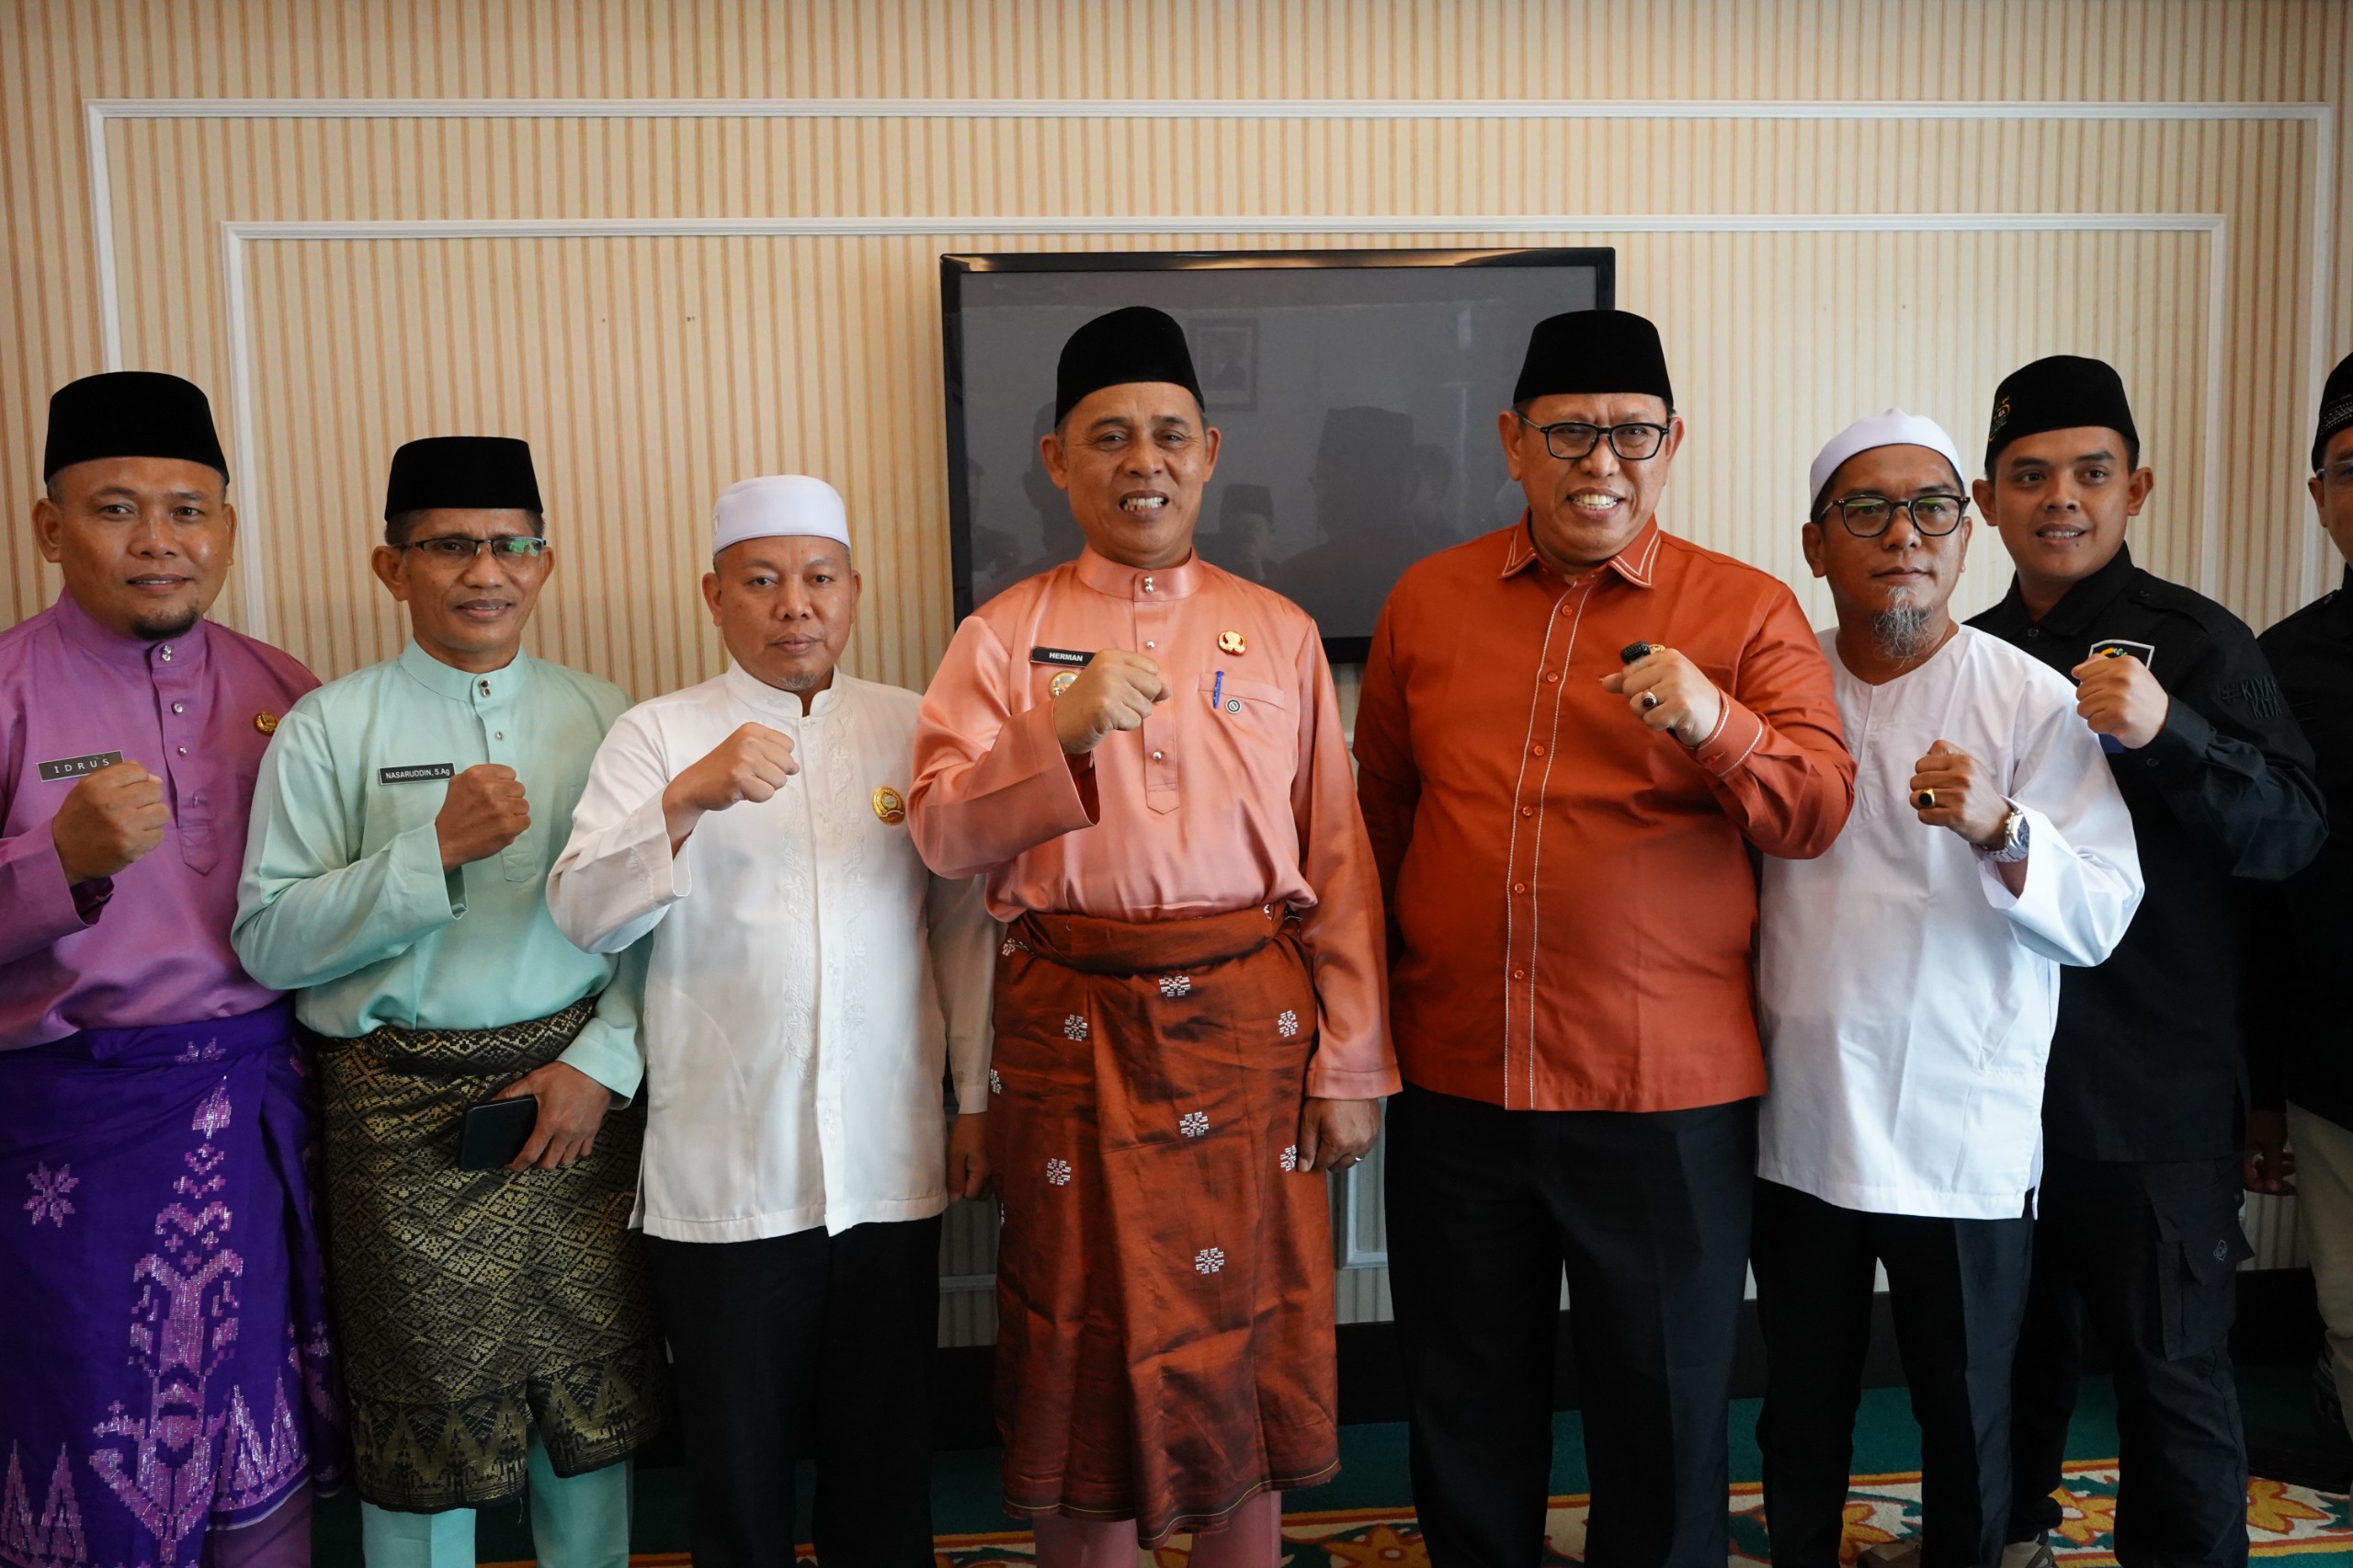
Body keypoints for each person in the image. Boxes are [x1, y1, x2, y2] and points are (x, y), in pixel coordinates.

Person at [1352, 308, 1855, 1568]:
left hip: (1661, 1093)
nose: (1601, 462)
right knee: (1464, 1393)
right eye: (1570, 431)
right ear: (1512, 441)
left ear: (1673, 443)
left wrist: (1711, 719)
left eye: (1632, 433)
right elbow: (1381, 818)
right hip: (1460, 1076)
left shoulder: (1745, 609)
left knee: (1665, 1404)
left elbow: (1815, 809)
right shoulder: (1426, 600)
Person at [908, 305, 1393, 1561]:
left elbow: (1336, 864)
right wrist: (1055, 730)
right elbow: (942, 834)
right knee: (1079, 1321)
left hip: (1251, 1035)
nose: (1144, 461)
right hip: (1072, 1031)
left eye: (1169, 434)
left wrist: (1349, 1066)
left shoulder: (1279, 630)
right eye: (1109, 435)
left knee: (1249, 1326)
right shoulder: (1000, 636)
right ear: (1056, 459)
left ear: (1210, 452)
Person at [546, 473, 996, 1568]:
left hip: (887, 1158)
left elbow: (961, 928)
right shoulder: (658, 734)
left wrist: (974, 1097)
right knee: (737, 1476)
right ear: (715, 595)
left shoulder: (912, 726)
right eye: (761, 580)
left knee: (883, 1460)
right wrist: (687, 796)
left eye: (818, 577)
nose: (795, 604)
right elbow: (584, 914)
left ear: (852, 591)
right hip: (726, 1172)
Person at [233, 437, 660, 1568]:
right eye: (449, 546)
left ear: (545, 561)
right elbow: (270, 939)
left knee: (587, 1420)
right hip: (398, 1120)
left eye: (510, 544)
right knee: (422, 1428)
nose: (485, 571)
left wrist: (604, 1062)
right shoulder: (332, 726)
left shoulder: (608, 716)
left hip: (574, 1102)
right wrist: (431, 854)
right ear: (393, 566)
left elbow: (657, 921)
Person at [1754, 411, 2143, 1568]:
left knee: (1965, 1411)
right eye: (1866, 510)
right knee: (1799, 1406)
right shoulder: (1776, 686)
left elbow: (2101, 911)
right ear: (1815, 544)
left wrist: (2000, 826)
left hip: (1959, 1128)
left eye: (1931, 508)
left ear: (1965, 536)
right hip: (1797, 1117)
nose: (1904, 534)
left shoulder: (2028, 698)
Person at [1964, 356, 2327, 1568]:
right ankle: (2009, 1536)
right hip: (1994, 1077)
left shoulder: (2198, 643)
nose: (2060, 498)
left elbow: (2291, 833)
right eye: (2029, 476)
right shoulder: (1968, 653)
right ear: (1988, 499)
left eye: (2090, 472)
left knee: (2172, 1369)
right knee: (2004, 1352)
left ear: (2137, 488)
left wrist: (2173, 732)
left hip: (2153, 1086)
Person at [0, 371, 335, 1568]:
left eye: (188, 510)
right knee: (86, 1447)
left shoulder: (286, 691)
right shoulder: (7, 689)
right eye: (116, 508)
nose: (157, 540)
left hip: (259, 1125)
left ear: (227, 530)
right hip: (74, 1148)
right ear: (51, 528)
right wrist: (55, 865)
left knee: (257, 1439)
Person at [2246, 348, 2353, 1451]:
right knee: (2351, 1314)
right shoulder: (2277, 665)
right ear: (2317, 495)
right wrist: (2262, 1091)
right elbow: (2260, 898)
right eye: (2351, 466)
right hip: (2334, 1063)